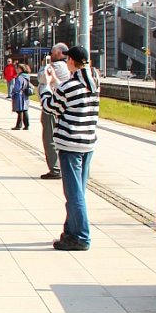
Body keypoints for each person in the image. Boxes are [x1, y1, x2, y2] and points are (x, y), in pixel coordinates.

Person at [40, 44, 99, 251]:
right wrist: (57, 83)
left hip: (70, 143)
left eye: (67, 60)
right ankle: (71, 232)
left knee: (73, 194)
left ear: (71, 61)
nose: (66, 62)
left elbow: (50, 106)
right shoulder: (93, 82)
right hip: (87, 143)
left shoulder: (70, 86)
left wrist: (46, 86)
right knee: (78, 191)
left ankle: (81, 237)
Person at [38, 43, 70, 178]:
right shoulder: (67, 67)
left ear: (60, 53)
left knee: (50, 137)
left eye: (53, 52)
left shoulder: (56, 66)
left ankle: (55, 169)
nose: (51, 54)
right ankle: (62, 167)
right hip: (63, 107)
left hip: (51, 107)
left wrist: (45, 67)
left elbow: (42, 78)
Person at [10, 62, 32, 129]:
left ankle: (18, 125)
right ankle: (26, 125)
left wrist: (13, 92)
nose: (16, 69)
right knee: (25, 110)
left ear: (21, 69)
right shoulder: (27, 76)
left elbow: (17, 87)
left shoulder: (20, 77)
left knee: (19, 110)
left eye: (17, 68)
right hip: (25, 95)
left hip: (19, 95)